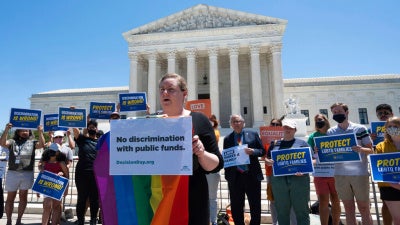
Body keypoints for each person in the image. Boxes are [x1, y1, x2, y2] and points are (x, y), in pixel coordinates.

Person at [159, 73, 223, 225]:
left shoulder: (199, 120)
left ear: (184, 94)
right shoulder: (152, 124)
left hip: (192, 195)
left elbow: (217, 163)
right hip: (160, 194)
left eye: (171, 89)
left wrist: (201, 153)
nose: (165, 93)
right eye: (161, 89)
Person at [327, 102, 374, 225]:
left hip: (359, 174)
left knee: (364, 208)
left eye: (339, 111)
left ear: (347, 112)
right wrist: (319, 151)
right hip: (340, 174)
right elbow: (328, 152)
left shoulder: (360, 129)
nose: (337, 114)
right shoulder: (331, 132)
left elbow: (371, 150)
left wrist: (361, 149)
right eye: (334, 112)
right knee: (348, 209)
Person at [265, 119, 310, 225]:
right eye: (285, 127)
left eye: (290, 128)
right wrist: (268, 161)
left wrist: (304, 170)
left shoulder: (303, 143)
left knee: (302, 211)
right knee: (282, 211)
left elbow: (312, 159)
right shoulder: (274, 144)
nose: (287, 129)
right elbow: (267, 159)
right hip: (279, 181)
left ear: (295, 130)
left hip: (298, 179)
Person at [223, 114, 265, 225]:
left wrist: (253, 151)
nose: (236, 123)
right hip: (236, 177)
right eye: (233, 121)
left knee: (255, 205)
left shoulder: (253, 134)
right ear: (231, 124)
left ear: (243, 122)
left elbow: (262, 151)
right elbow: (227, 158)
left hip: (251, 175)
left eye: (238, 121)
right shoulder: (227, 139)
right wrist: (228, 176)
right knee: (236, 206)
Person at [0, 123, 45, 225]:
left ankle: (19, 220)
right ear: (18, 132)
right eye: (23, 130)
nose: (25, 132)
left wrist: (40, 132)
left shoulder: (33, 142)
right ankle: (8, 220)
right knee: (10, 198)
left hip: (27, 173)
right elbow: (2, 143)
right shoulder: (12, 141)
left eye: (27, 130)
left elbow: (42, 144)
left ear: (29, 132)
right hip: (12, 172)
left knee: (23, 197)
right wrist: (6, 129)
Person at [307, 114, 341, 225]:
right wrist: (314, 150)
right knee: (323, 201)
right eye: (316, 120)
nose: (318, 122)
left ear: (326, 120)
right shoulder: (312, 136)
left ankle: (336, 223)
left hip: (334, 172)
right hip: (320, 172)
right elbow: (309, 154)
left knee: (336, 199)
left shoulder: (333, 133)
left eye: (320, 120)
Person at [72, 119, 100, 225]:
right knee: (82, 198)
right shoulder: (82, 139)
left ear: (97, 129)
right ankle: (80, 220)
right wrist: (74, 114)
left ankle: (93, 219)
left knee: (94, 198)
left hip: (95, 174)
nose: (91, 128)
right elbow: (75, 129)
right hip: (81, 173)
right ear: (87, 128)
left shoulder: (100, 142)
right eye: (89, 126)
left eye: (93, 127)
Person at [371, 103, 394, 225]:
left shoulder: (397, 126)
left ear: (392, 114)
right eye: (380, 114)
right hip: (386, 172)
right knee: (386, 203)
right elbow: (373, 153)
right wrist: (371, 140)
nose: (383, 115)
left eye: (386, 113)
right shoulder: (373, 131)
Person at [375, 116, 400, 225]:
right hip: (389, 188)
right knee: (398, 219)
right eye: (389, 126)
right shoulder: (380, 146)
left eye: (395, 126)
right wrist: (395, 184)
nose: (392, 128)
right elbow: (379, 170)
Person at [39, 143, 69, 225]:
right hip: (47, 186)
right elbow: (40, 170)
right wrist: (41, 168)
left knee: (56, 207)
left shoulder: (61, 163)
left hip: (57, 186)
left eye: (54, 151)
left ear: (58, 152)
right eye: (51, 150)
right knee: (46, 206)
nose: (52, 152)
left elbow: (67, 174)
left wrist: (66, 188)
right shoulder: (45, 161)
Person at [206, 114, 221, 225]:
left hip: (212, 169)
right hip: (201, 169)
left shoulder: (215, 132)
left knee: (212, 197)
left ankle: (213, 220)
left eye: (211, 120)